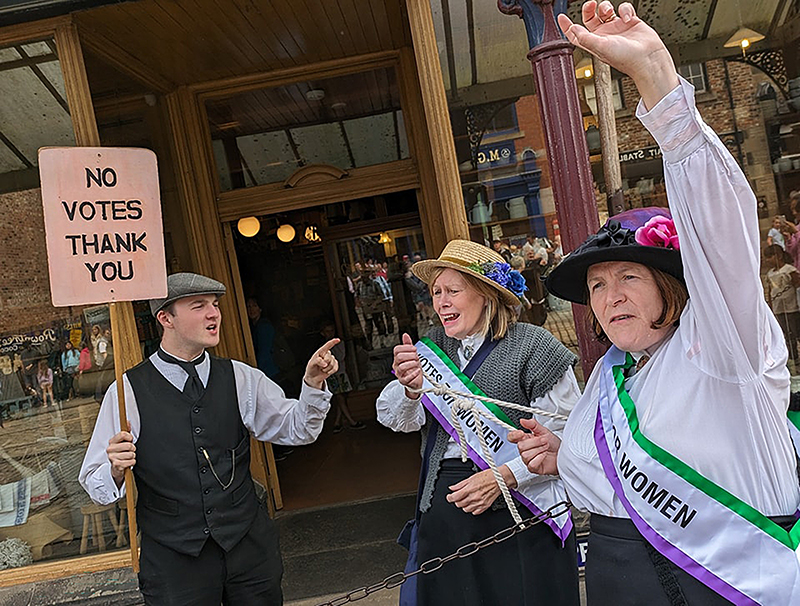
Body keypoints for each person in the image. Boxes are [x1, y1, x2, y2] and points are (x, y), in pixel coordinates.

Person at [512, 3, 800, 603]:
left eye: (627, 278)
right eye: (596, 286)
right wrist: (564, 458)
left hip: (720, 585)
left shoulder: (723, 344)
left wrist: (660, 87)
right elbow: (615, 481)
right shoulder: (611, 373)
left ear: (672, 285)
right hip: (623, 580)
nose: (608, 297)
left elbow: (723, 237)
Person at [79, 272, 340, 605]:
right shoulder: (127, 391)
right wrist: (116, 469)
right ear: (165, 318)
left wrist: (312, 384)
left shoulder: (240, 376)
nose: (214, 313)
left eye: (215, 305)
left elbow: (297, 428)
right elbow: (94, 481)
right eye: (198, 306)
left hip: (248, 548)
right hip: (175, 560)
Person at [377, 240, 581, 606]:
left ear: (486, 295)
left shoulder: (535, 346)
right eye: (437, 292)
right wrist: (410, 390)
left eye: (453, 291)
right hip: (447, 509)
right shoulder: (433, 348)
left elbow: (569, 434)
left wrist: (504, 477)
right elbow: (397, 420)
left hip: (522, 507)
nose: (441, 302)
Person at [319, 321, 364, 432]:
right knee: (339, 397)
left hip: (341, 373)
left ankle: (337, 422)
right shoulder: (322, 347)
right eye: (327, 331)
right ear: (323, 333)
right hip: (331, 375)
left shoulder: (339, 343)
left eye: (332, 330)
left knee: (342, 397)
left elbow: (341, 356)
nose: (330, 333)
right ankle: (351, 421)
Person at [763, 244, 800, 366]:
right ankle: (794, 359)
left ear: (778, 256)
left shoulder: (789, 270)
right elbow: (769, 291)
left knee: (796, 332)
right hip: (779, 309)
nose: (767, 260)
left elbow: (797, 286)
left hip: (792, 308)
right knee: (787, 335)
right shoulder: (770, 274)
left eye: (769, 257)